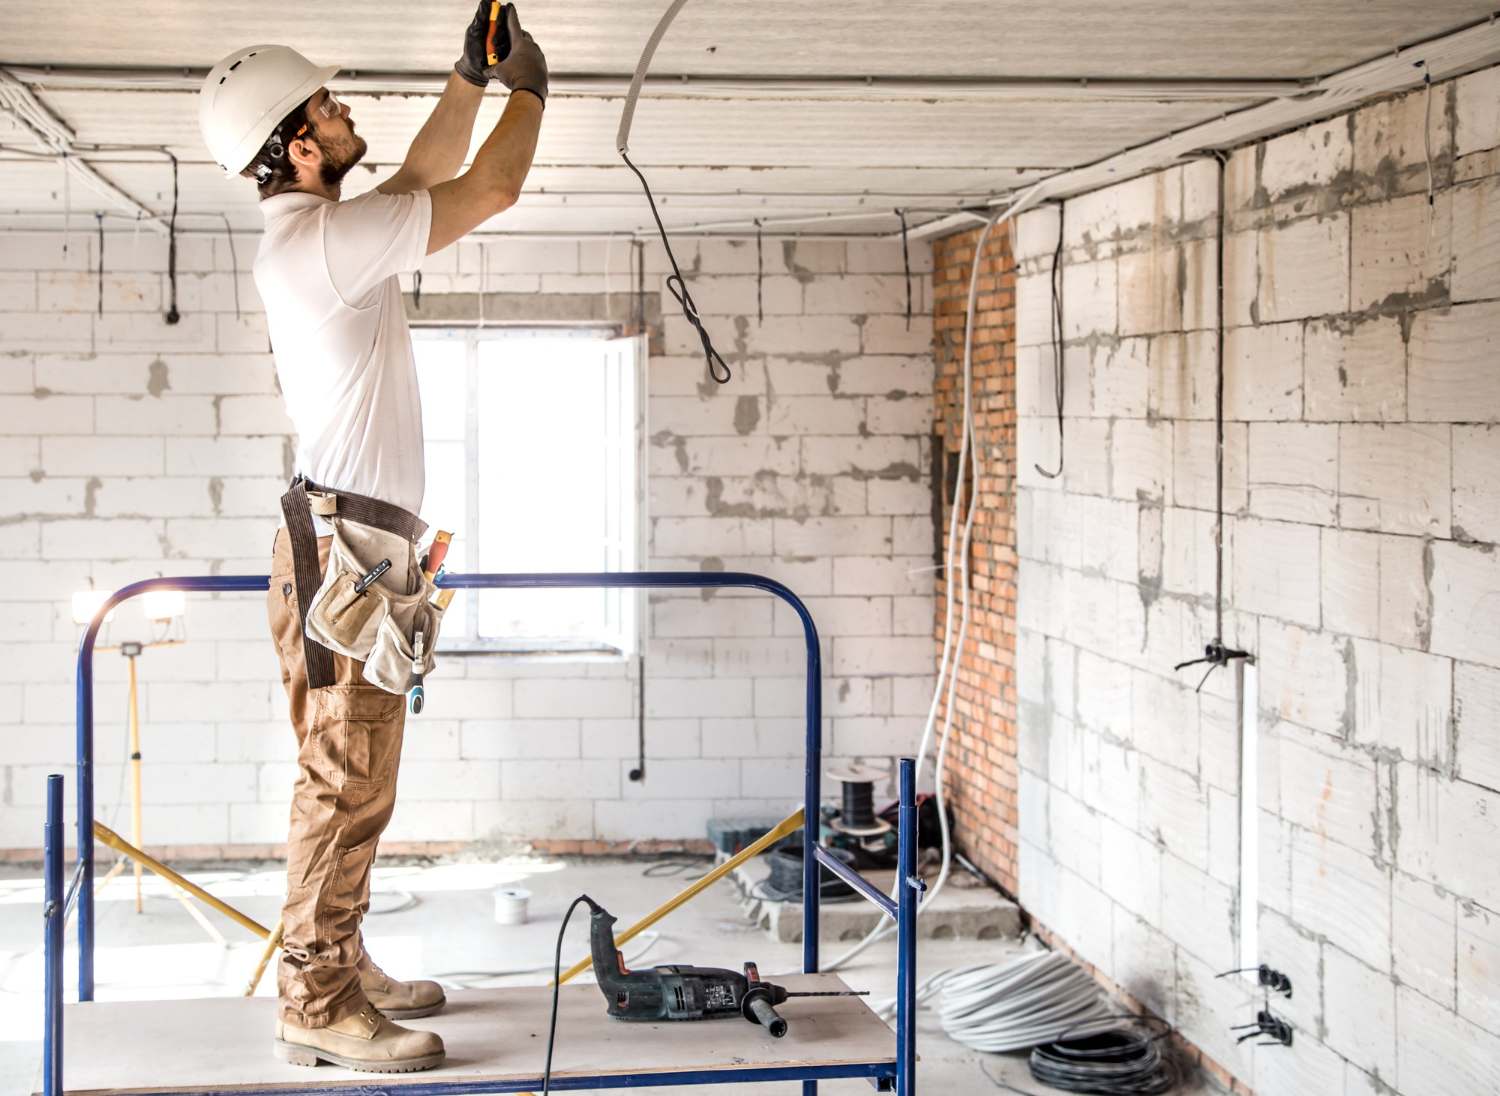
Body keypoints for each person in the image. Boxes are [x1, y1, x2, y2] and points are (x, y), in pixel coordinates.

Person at [196, 2, 547, 1074]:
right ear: (302, 146)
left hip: (352, 544)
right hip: (345, 549)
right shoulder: (320, 249)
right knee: (343, 780)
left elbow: (415, 183)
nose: (352, 115)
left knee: (353, 775)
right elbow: (486, 187)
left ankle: (339, 957)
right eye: (333, 108)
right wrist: (531, 87)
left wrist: (468, 80)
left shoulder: (327, 237)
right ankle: (314, 997)